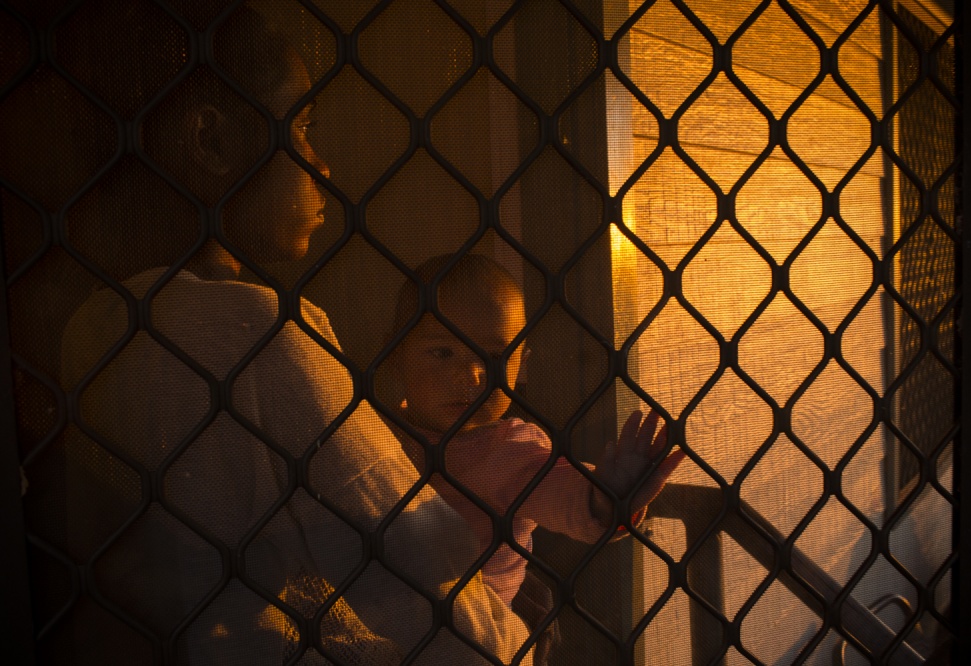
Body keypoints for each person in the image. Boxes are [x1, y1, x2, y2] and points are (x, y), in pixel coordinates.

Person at [58, 7, 529, 664]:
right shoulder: (264, 333)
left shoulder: (96, 326)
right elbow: (420, 563)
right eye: (302, 128)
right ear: (211, 141)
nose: (323, 166)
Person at [385, 253, 685, 662]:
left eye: (493, 358)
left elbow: (558, 487)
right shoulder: (371, 432)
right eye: (442, 353)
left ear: (520, 365)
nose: (472, 375)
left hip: (478, 634)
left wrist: (604, 494)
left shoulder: (509, 450)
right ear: (396, 357)